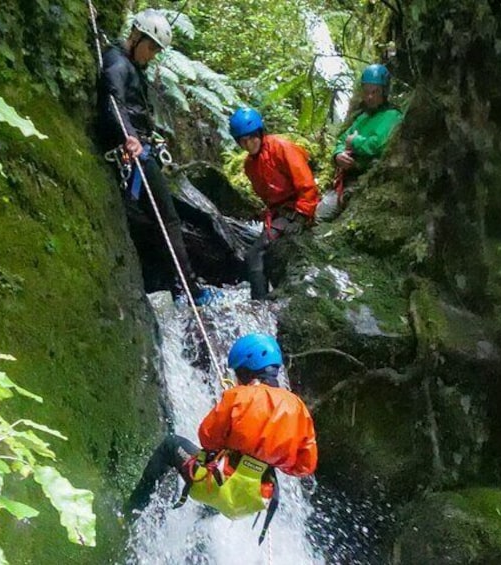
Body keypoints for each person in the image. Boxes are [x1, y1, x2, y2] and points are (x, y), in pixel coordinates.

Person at [126, 334, 317, 539]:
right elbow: (304, 466)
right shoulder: (299, 408)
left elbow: (207, 438)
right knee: (216, 498)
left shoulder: (238, 396)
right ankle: (195, 533)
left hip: (219, 485)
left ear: (246, 370)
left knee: (170, 445)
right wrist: (266, 458)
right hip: (254, 497)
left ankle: (129, 515)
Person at [97, 9, 215, 305]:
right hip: (131, 155)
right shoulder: (117, 63)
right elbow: (113, 99)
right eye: (150, 47)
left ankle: (172, 285)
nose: (151, 55)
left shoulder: (131, 66)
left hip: (139, 149)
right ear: (135, 36)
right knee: (168, 220)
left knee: (155, 221)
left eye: (156, 51)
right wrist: (130, 137)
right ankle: (190, 289)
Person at [229, 107, 321, 299]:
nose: (249, 144)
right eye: (243, 141)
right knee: (257, 254)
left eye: (252, 137)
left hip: (296, 209)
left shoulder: (282, 148)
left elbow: (306, 184)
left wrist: (302, 216)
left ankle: (259, 304)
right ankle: (262, 302)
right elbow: (268, 196)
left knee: (254, 255)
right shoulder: (249, 165)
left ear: (260, 133)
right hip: (280, 213)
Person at [332, 63, 403, 181]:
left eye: (375, 92)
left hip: (371, 178)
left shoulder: (392, 115)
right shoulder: (362, 118)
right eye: (366, 92)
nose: (369, 97)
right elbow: (342, 140)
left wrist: (354, 141)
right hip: (350, 178)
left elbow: (378, 145)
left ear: (384, 92)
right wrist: (338, 155)